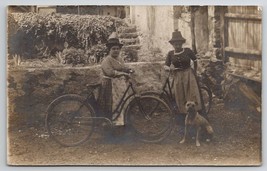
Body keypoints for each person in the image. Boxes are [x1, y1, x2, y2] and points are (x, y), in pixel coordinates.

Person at [164, 30, 203, 115]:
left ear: (182, 43)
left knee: (191, 93)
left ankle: (194, 113)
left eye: (179, 44)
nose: (177, 46)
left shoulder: (187, 51)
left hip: (188, 74)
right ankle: (183, 114)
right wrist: (169, 69)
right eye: (175, 44)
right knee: (180, 94)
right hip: (178, 76)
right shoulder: (170, 54)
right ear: (172, 44)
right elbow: (166, 65)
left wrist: (195, 72)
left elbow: (195, 60)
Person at [98, 32, 133, 123]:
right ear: (109, 50)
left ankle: (123, 120)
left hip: (120, 85)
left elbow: (123, 67)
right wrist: (122, 74)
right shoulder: (106, 60)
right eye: (113, 49)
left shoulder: (120, 59)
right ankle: (114, 121)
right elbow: (110, 72)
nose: (116, 51)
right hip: (110, 85)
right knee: (114, 104)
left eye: (118, 49)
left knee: (123, 101)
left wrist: (128, 70)